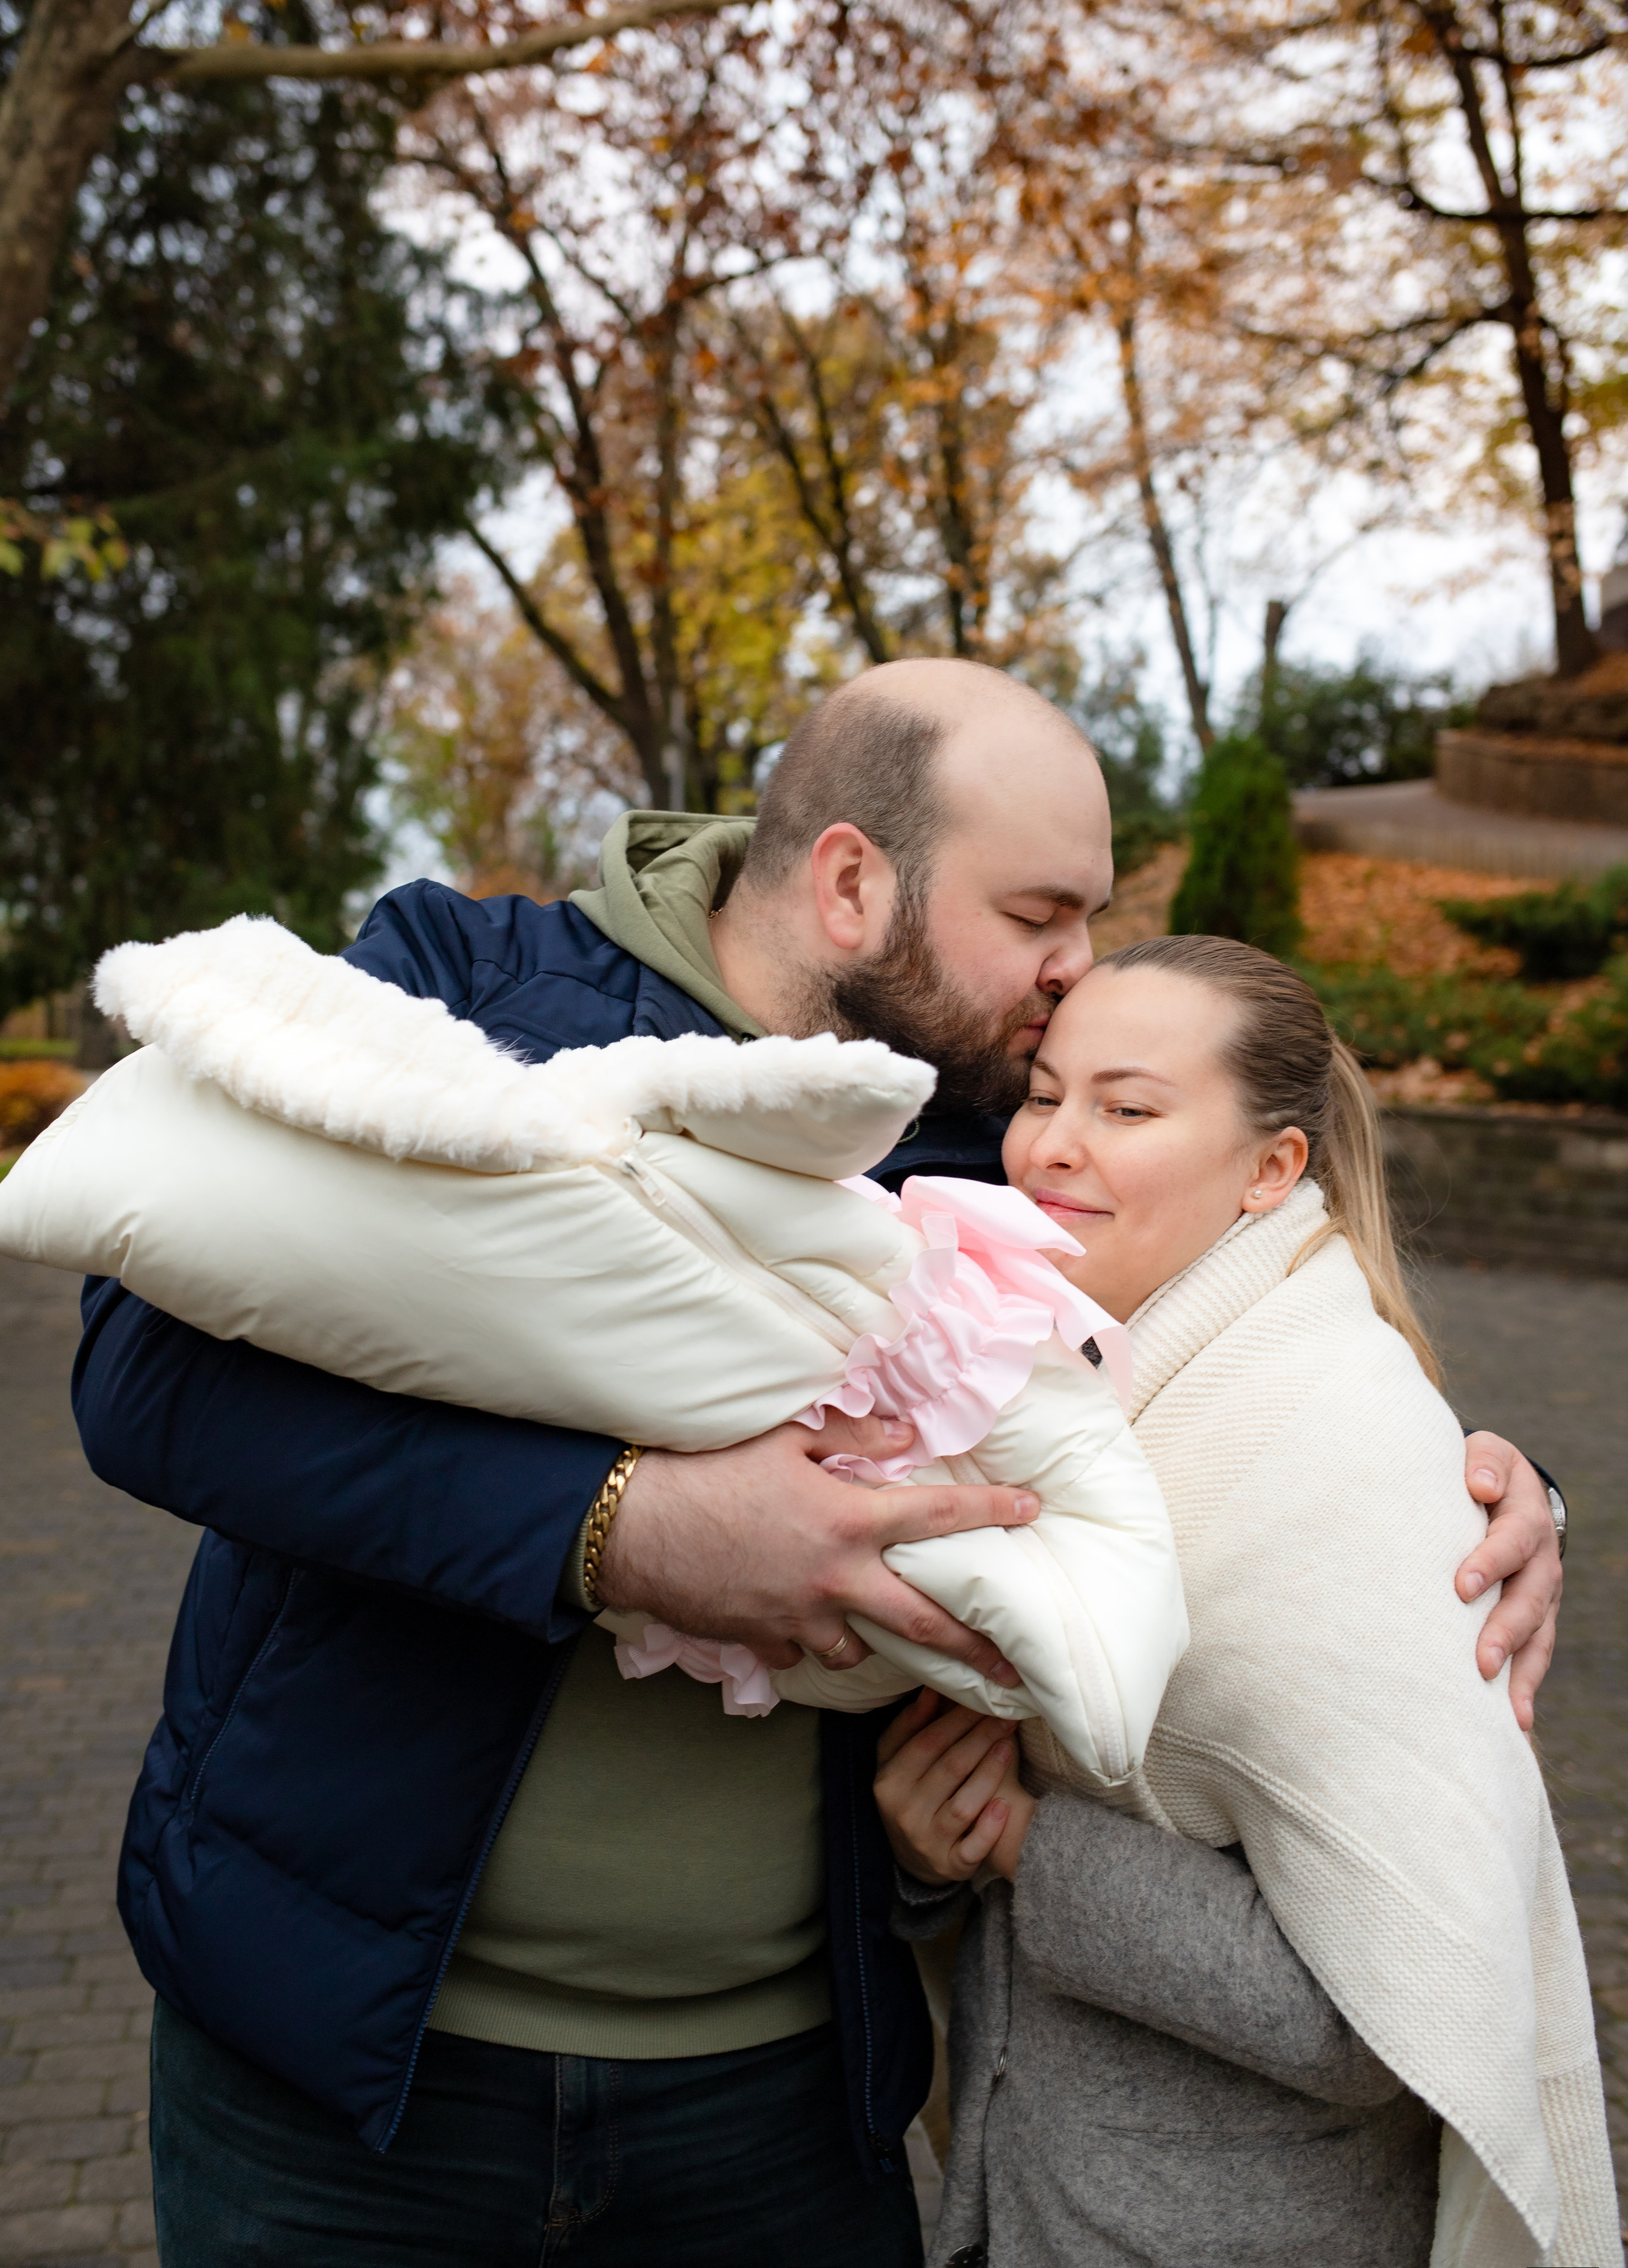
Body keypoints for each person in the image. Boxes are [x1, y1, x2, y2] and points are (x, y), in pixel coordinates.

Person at [69, 661, 1563, 2266]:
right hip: (339, 2083)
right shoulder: (457, 983)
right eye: (1040, 916)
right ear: (854, 882)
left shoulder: (983, 1132)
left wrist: (1478, 1490)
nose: (1075, 977)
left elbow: (1236, 1353)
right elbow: (146, 1366)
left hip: (779, 2111)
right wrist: (613, 1532)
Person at [875, 935, 1616, 2268]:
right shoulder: (1074, 1389)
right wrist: (937, 1859)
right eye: (1043, 1096)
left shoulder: (1332, 1452)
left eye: (1128, 1108)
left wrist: (1018, 1849)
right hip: (1033, 2204)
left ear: (1273, 1168)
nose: (1050, 1146)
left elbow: (1390, 2000)